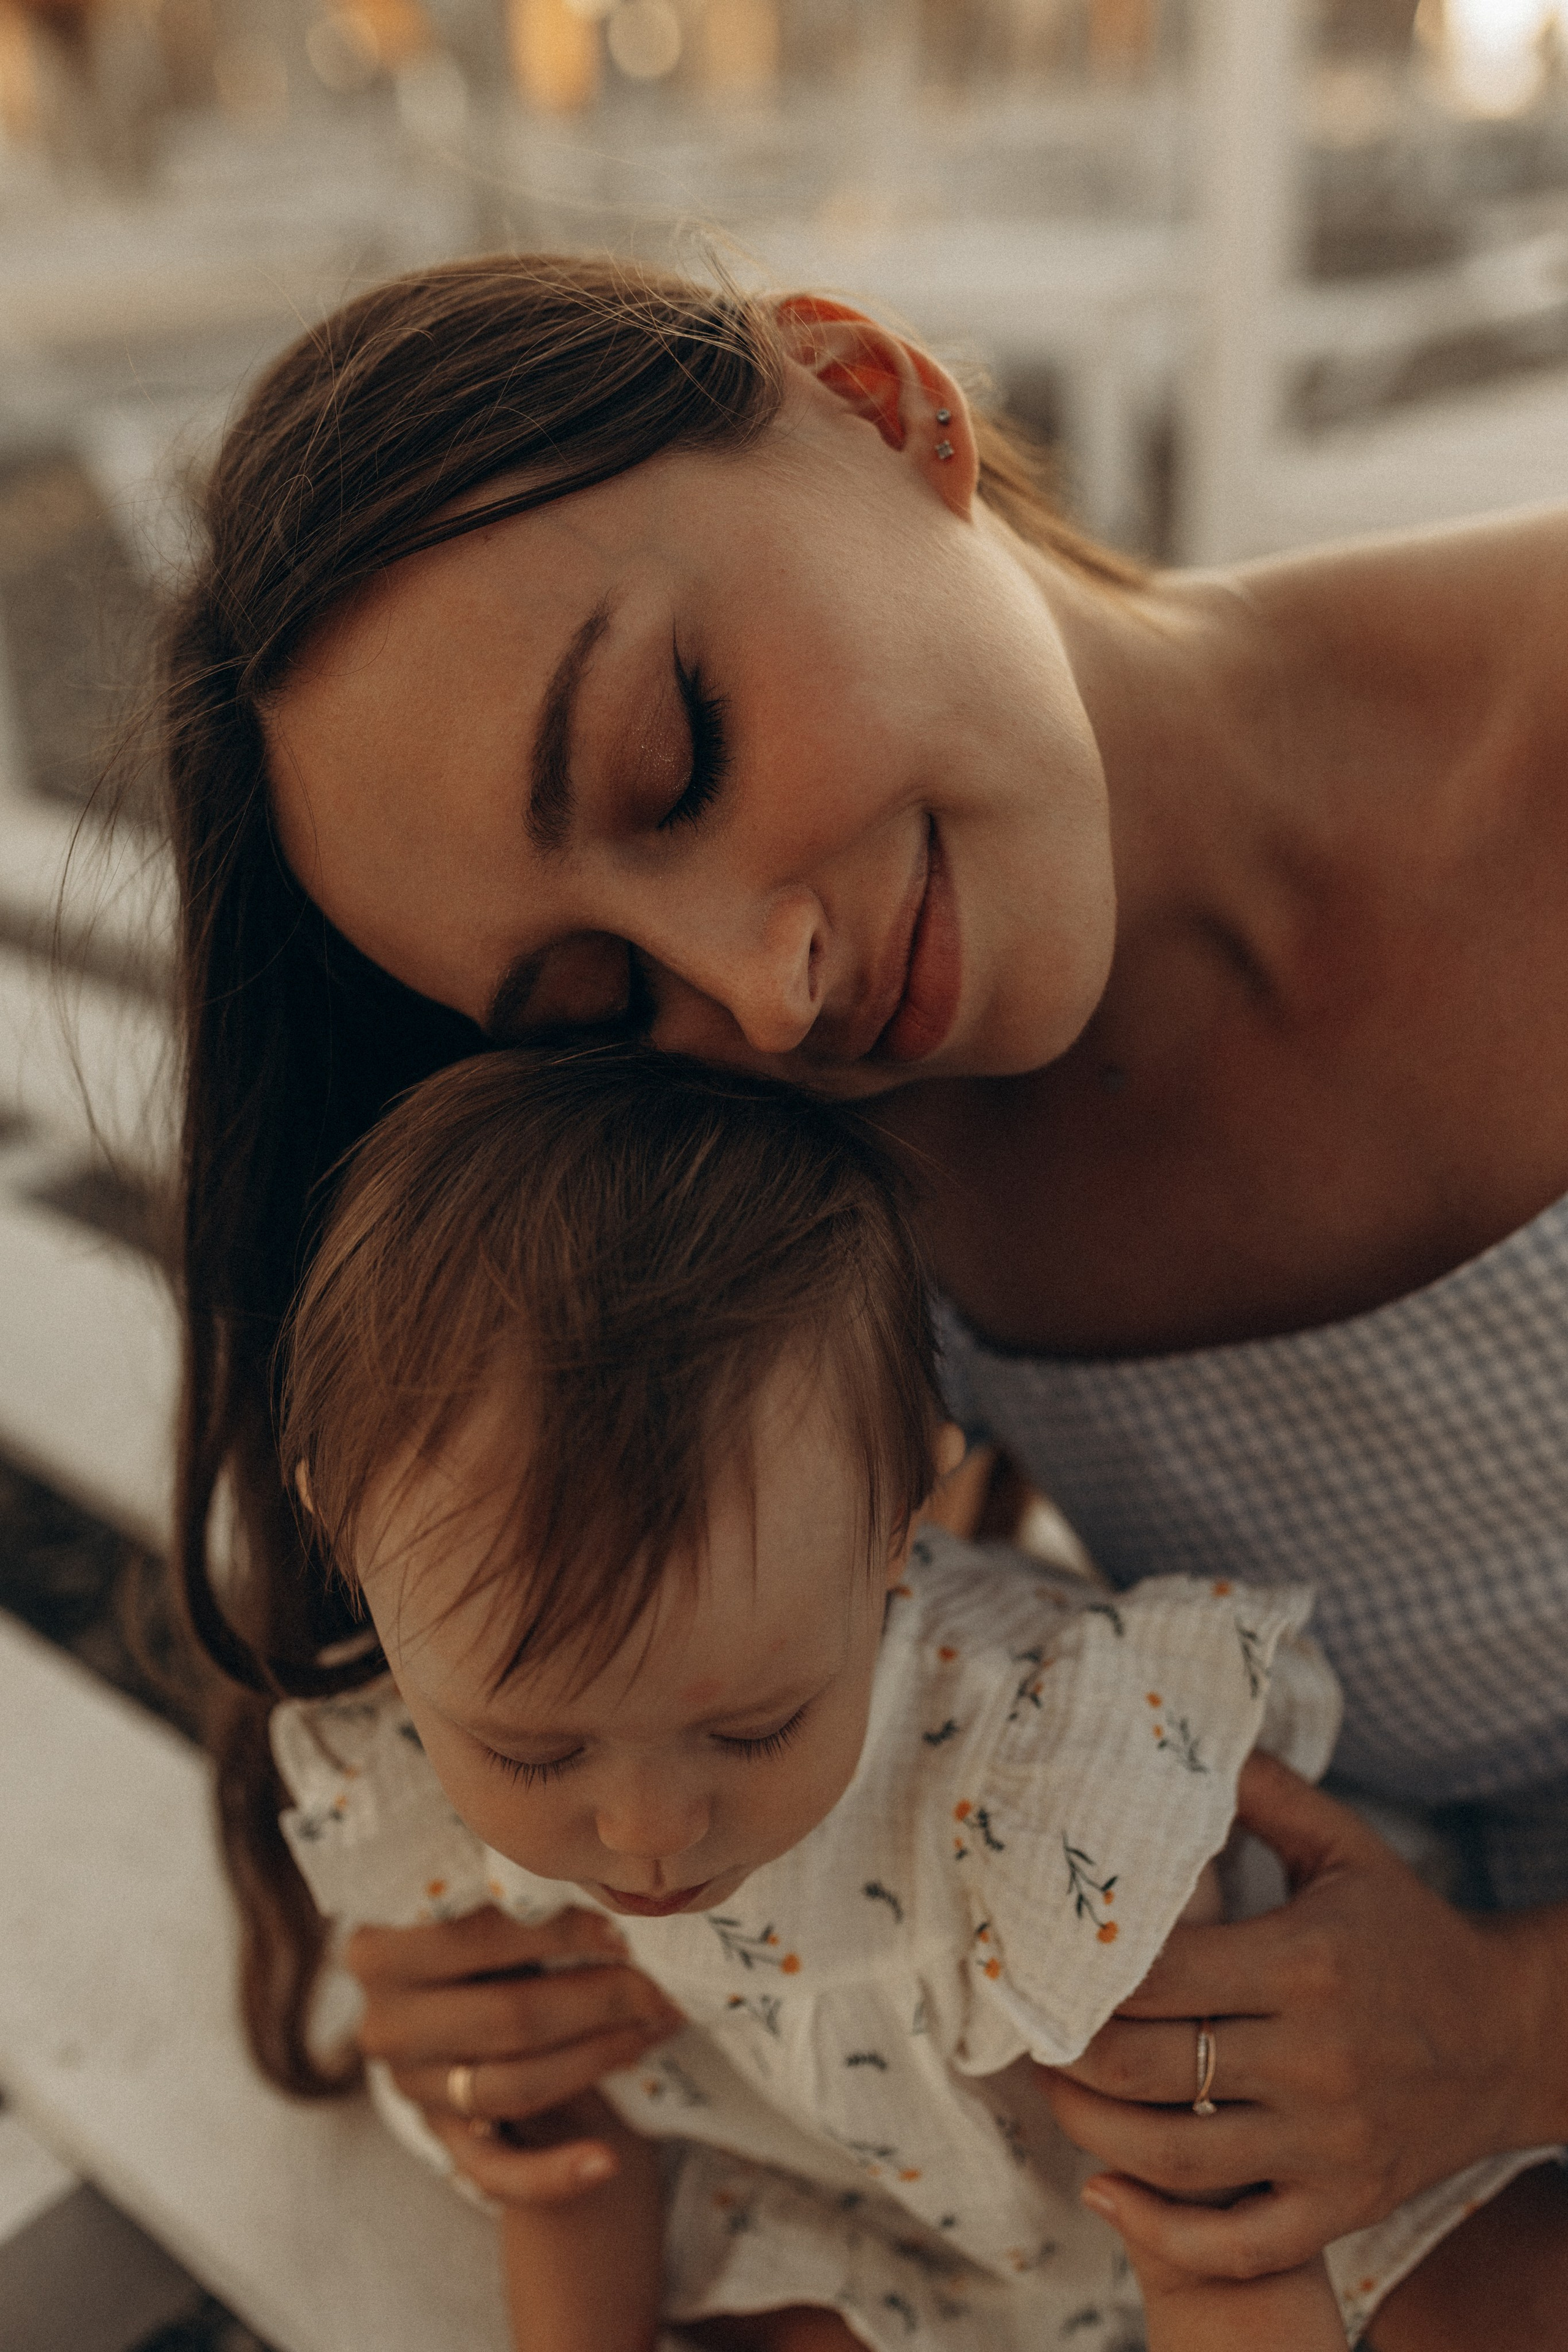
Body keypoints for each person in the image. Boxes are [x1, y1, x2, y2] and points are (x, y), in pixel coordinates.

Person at [146, 252, 1568, 2350]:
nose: (765, 986)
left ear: (870, 395)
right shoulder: (840, 1180)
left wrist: (1513, 2033)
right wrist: (514, 1942)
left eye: (675, 756)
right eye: (600, 1008)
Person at [272, 1039, 1384, 2351]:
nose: (645, 1831)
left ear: (899, 1519)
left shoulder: (1043, 1793)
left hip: (1214, 2209)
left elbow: (1224, 2235)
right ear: (345, 1536)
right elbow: (576, 2148)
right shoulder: (431, 1732)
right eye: (533, 1754)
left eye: (754, 1728)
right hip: (884, 2230)